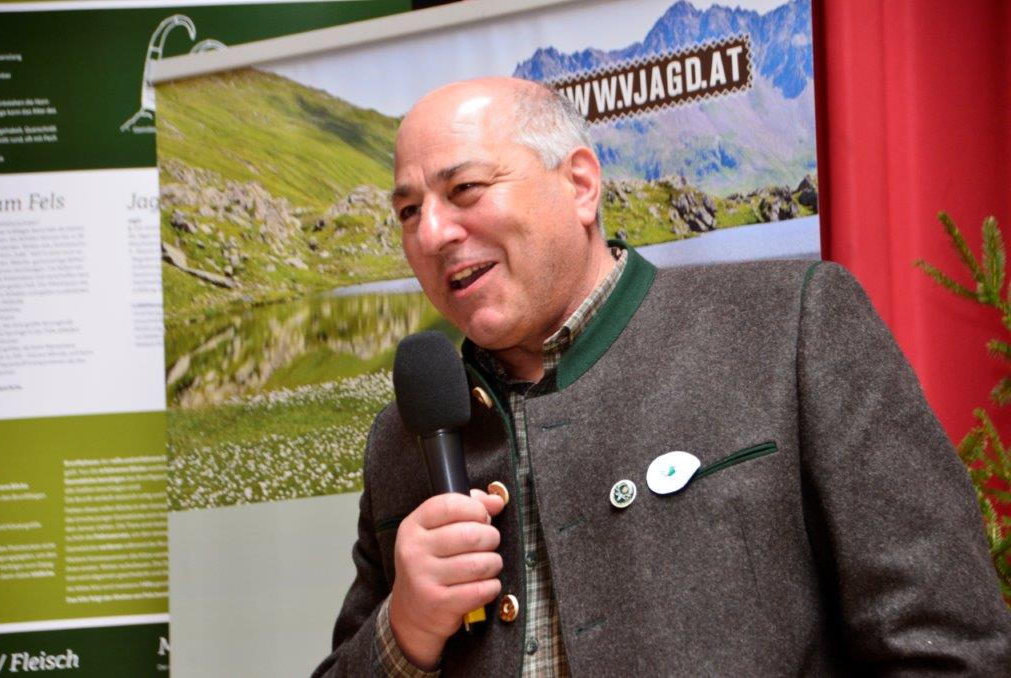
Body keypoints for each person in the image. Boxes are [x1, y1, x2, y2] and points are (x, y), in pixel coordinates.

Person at [313, 77, 1011, 676]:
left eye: (464, 189)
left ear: (580, 184)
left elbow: (946, 649)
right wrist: (403, 629)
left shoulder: (791, 325)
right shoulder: (401, 439)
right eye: (409, 212)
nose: (432, 233)